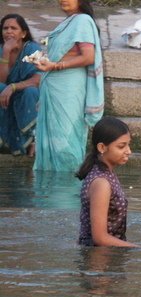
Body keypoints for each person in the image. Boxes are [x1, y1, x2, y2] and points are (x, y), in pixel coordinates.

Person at [32, 0, 104, 172]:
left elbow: (88, 57)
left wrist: (56, 66)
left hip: (69, 91)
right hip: (54, 90)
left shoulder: (83, 21)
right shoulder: (67, 23)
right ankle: (50, 191)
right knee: (51, 142)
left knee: (66, 142)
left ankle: (67, 189)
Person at [76, 117, 139, 247]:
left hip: (106, 253)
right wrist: (140, 248)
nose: (128, 151)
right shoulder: (101, 183)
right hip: (98, 258)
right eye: (121, 146)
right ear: (102, 147)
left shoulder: (105, 174)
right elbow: (100, 238)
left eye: (128, 144)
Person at [0, 14, 41, 157]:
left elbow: (38, 79)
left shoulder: (32, 49)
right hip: (4, 98)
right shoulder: (1, 49)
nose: (8, 31)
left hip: (25, 95)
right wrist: (6, 52)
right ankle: (3, 141)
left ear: (23, 33)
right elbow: (1, 81)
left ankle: (32, 141)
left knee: (31, 91)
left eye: (13, 28)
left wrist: (14, 87)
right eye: (5, 28)